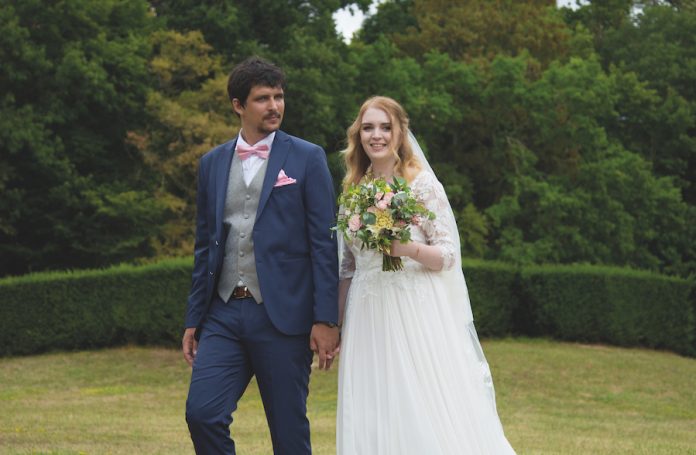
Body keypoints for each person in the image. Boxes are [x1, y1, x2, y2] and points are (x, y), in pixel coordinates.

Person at [336, 96, 516, 454]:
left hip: (413, 312)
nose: (377, 135)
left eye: (385, 127)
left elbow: (448, 255)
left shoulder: (421, 185)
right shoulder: (353, 190)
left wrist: (405, 249)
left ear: (400, 132)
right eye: (368, 127)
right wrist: (336, 324)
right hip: (367, 316)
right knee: (374, 406)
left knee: (419, 402)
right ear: (358, 134)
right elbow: (348, 266)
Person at [182, 56, 340, 455]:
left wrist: (326, 319)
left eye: (279, 96)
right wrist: (193, 319)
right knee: (202, 414)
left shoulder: (307, 157)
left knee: (288, 434)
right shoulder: (212, 163)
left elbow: (325, 243)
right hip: (222, 314)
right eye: (262, 99)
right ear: (238, 105)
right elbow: (205, 246)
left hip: (283, 316)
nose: (274, 106)